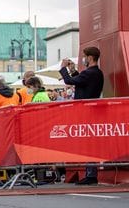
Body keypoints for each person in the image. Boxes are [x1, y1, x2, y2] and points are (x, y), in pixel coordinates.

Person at [60, 46, 104, 185]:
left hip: (86, 112)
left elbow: (70, 81)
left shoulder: (90, 73)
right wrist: (73, 71)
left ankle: (91, 175)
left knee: (89, 143)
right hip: (92, 111)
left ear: (90, 58)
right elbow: (80, 81)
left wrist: (63, 69)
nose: (83, 59)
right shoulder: (96, 73)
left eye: (85, 57)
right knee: (90, 142)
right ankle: (90, 173)